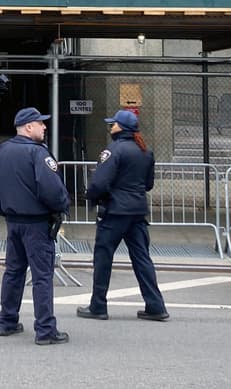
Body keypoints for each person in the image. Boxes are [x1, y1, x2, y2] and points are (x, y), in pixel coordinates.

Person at [0, 106, 71, 346]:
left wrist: (5, 210)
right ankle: (45, 330)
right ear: (28, 127)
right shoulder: (38, 153)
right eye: (41, 123)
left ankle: (7, 322)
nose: (45, 127)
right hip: (36, 224)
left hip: (13, 223)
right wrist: (62, 205)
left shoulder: (2, 151)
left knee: (13, 272)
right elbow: (51, 189)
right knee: (42, 276)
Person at [76, 109, 170, 323]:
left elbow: (100, 182)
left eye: (113, 124)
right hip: (137, 211)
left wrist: (91, 196)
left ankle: (98, 305)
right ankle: (155, 305)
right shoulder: (145, 151)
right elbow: (148, 184)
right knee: (142, 258)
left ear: (121, 127)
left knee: (103, 258)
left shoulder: (114, 150)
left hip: (115, 212)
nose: (111, 127)